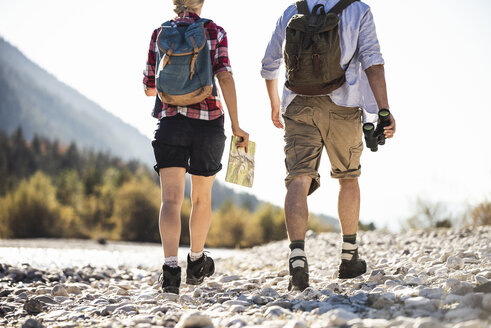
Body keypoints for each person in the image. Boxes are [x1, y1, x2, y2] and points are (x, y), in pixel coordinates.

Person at [261, 0, 396, 290]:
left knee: (298, 179)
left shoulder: (291, 11)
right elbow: (372, 60)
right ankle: (349, 259)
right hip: (343, 106)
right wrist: (383, 109)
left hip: (297, 104)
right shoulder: (358, 10)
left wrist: (275, 104)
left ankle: (297, 258)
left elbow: (269, 63)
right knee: (348, 177)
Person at [143, 0, 249, 294]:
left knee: (171, 200)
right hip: (208, 122)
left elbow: (150, 87)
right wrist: (237, 125)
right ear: (201, 3)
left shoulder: (159, 33)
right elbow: (224, 75)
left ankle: (170, 270)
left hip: (171, 122)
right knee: (201, 199)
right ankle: (197, 260)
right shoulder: (214, 31)